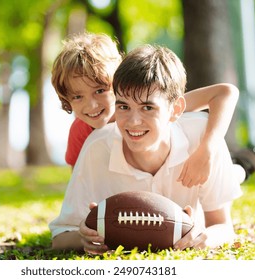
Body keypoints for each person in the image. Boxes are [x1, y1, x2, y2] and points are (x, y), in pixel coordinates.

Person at [49, 44, 245, 253]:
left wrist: (206, 237)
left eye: (147, 108)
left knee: (234, 172)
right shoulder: (92, 143)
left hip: (204, 158)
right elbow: (63, 234)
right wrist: (84, 236)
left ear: (175, 109)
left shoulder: (196, 130)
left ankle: (241, 167)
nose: (133, 121)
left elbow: (223, 227)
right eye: (124, 106)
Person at [51, 32, 255, 188]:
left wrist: (206, 149)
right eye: (77, 96)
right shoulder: (80, 134)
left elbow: (226, 93)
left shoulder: (145, 110)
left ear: (118, 83)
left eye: (99, 90)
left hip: (176, 174)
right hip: (134, 189)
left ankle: (243, 166)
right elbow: (79, 188)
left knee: (224, 178)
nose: (91, 105)